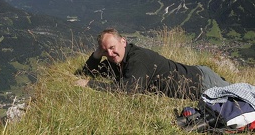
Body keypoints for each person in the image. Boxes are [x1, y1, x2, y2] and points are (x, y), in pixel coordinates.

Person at [77, 28, 230, 100]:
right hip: (198, 77)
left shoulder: (138, 59)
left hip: (201, 81)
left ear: (123, 41)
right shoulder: (115, 60)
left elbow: (128, 91)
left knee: (245, 99)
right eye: (105, 51)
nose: (110, 54)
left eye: (112, 47)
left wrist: (90, 84)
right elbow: (86, 73)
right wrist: (97, 54)